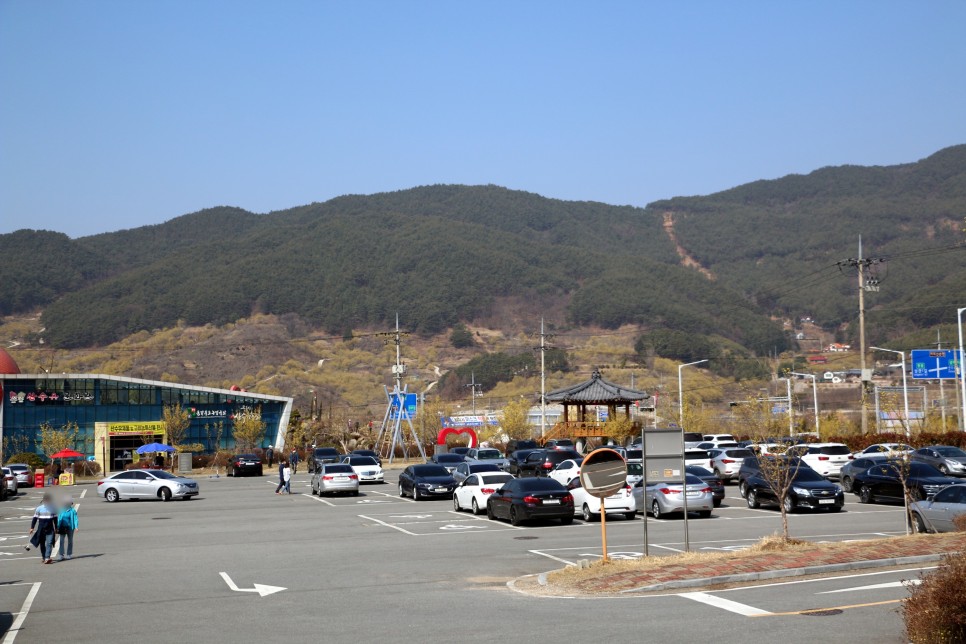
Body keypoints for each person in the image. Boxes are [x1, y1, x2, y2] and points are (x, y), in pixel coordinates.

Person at [26, 493, 57, 564]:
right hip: (41, 529)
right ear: (43, 500)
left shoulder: (53, 507)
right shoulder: (39, 508)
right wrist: (32, 527)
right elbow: (35, 518)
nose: (47, 501)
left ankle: (47, 557)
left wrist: (56, 527)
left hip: (50, 529)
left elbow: (55, 518)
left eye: (48, 500)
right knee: (42, 544)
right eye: (45, 500)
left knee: (49, 543)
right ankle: (44, 557)